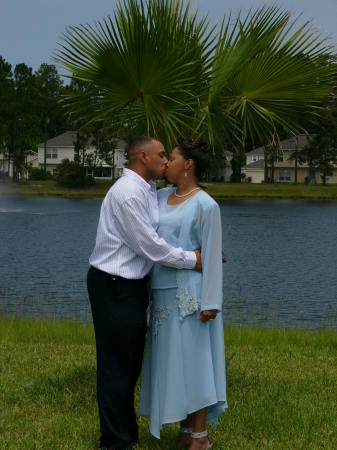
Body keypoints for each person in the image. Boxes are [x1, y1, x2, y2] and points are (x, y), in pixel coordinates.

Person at [87, 136, 202, 450]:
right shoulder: (127, 194)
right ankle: (114, 442)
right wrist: (194, 259)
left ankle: (125, 434)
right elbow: (151, 246)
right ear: (142, 156)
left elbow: (183, 201)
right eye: (161, 155)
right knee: (115, 366)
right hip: (113, 285)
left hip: (132, 288)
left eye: (168, 156)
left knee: (130, 364)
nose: (166, 161)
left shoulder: (148, 189)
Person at [139, 139, 227, 450]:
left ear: (187, 164)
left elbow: (213, 255)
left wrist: (211, 303)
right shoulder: (160, 196)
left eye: (172, 158)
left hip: (191, 297)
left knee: (196, 363)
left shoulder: (206, 205)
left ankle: (199, 436)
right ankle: (184, 429)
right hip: (161, 295)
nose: (166, 163)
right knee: (172, 364)